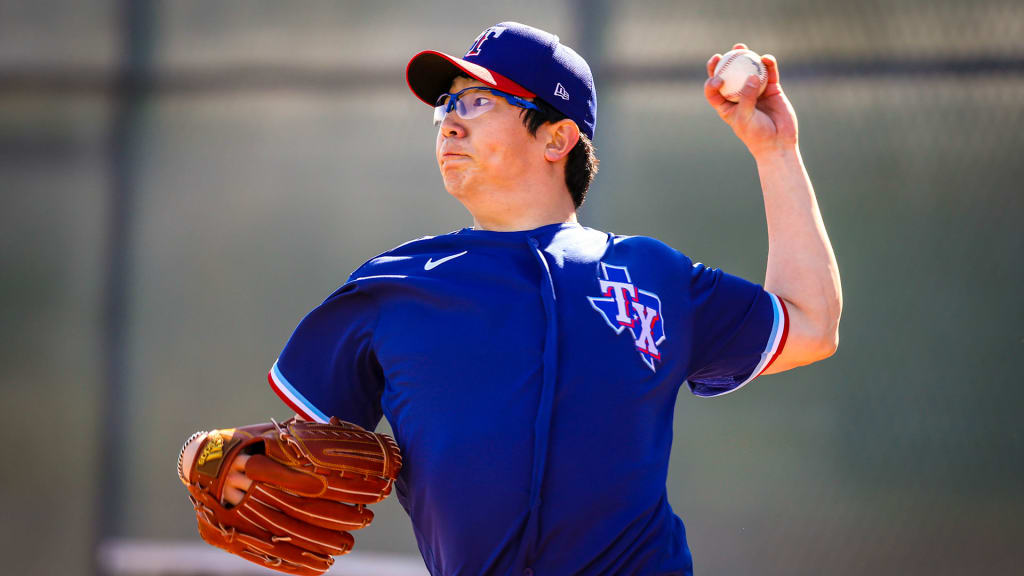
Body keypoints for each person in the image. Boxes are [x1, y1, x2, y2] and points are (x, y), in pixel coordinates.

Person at [180, 21, 841, 576]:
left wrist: (774, 149)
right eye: (446, 106)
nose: (449, 124)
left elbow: (810, 324)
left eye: (478, 102)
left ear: (558, 138)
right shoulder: (395, 284)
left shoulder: (651, 274)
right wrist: (208, 459)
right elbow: (293, 453)